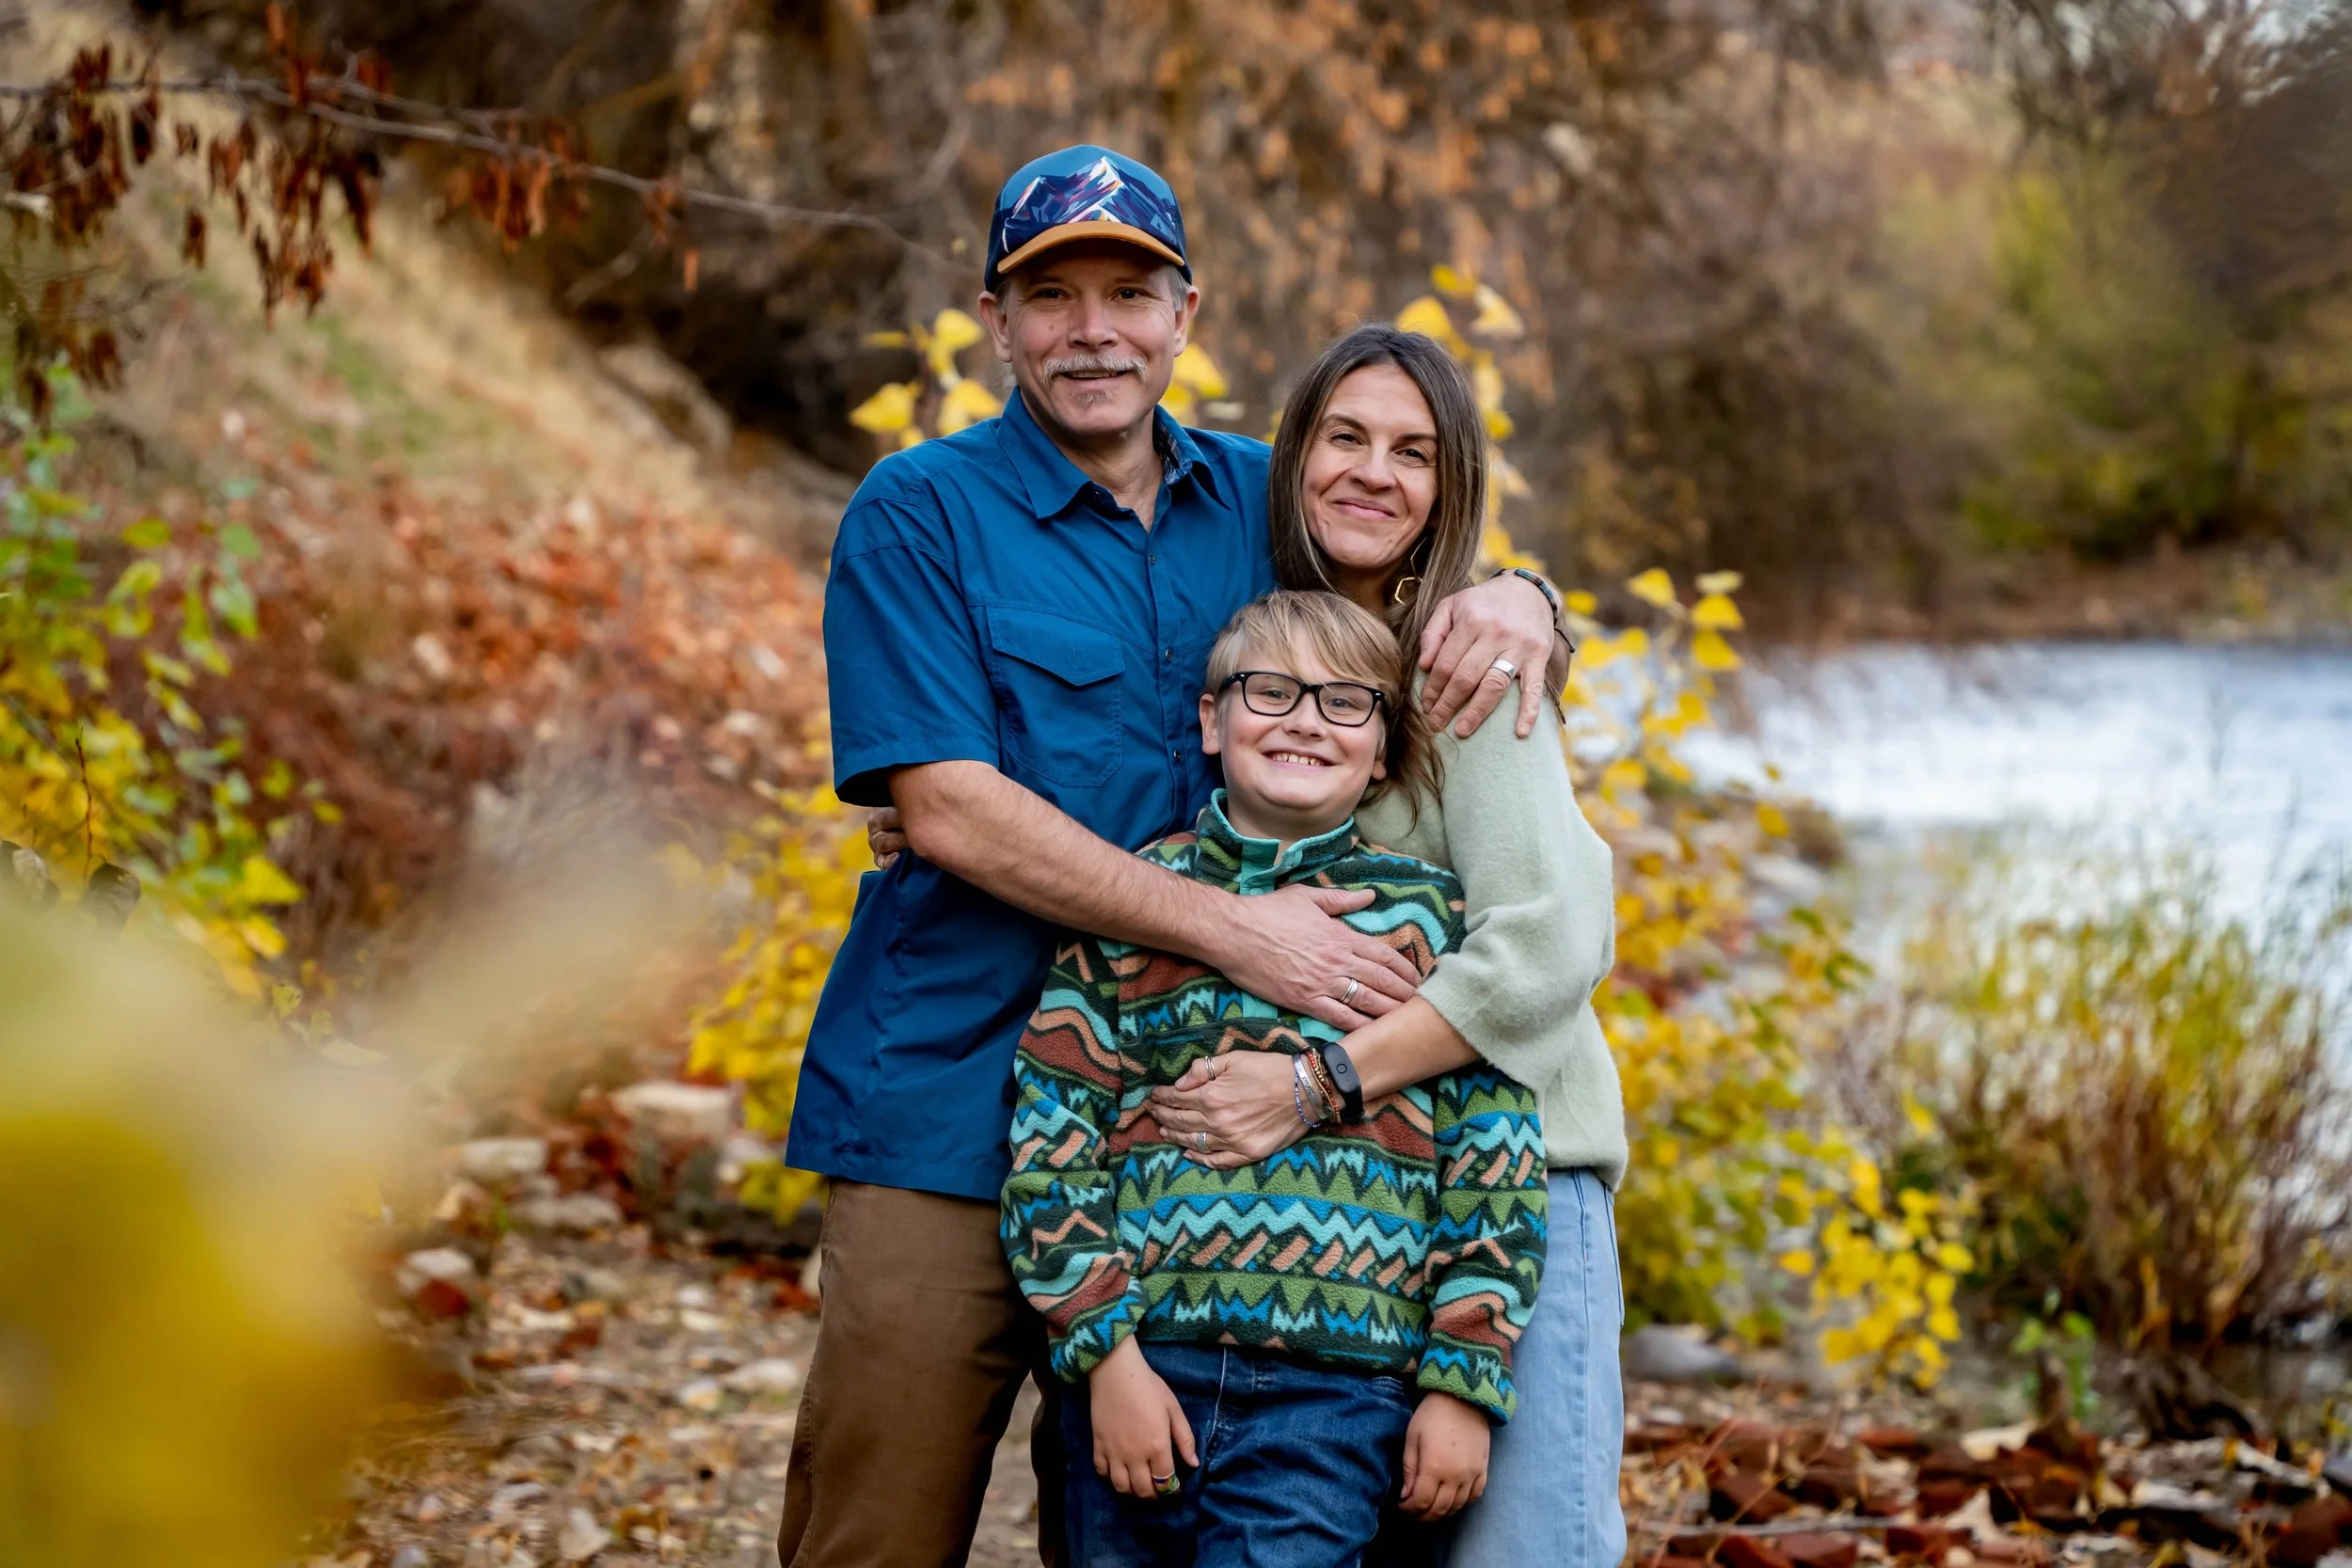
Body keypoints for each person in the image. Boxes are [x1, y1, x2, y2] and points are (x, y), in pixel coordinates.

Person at [777, 146, 1565, 1568]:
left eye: (1129, 292)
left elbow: (1420, 566)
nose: (1094, 328)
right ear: (996, 317)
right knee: (878, 1531)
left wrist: (1526, 596)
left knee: (1140, 1528)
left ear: (1185, 313)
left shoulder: (1265, 504)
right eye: (1052, 293)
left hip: (1211, 1144)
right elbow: (948, 806)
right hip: (951, 1107)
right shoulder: (919, 510)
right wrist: (1234, 925)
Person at [1143, 325, 1628, 1568]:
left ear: (1449, 486)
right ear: (1290, 454)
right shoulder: (1268, 651)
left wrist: (1319, 1079)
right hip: (1357, 1209)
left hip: (1516, 1182)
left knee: (1529, 1550)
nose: (1375, 472)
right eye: (1346, 436)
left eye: (1415, 451)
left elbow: (1551, 943)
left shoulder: (1470, 666)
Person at [1002, 590, 1546, 1568]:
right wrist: (1104, 1357)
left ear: (1383, 748)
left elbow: (1496, 1169)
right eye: (1271, 690)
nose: (1304, 717)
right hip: (1143, 1376)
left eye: (1345, 701)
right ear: (1211, 721)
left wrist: (1462, 1382)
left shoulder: (1431, 924)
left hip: (1336, 1400)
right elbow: (1051, 1144)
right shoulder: (1138, 902)